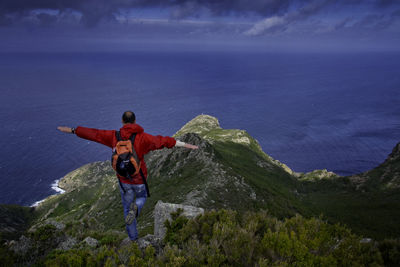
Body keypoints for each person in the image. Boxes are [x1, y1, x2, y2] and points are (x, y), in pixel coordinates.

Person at [57, 111, 198, 241]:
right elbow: (163, 141)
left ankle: (133, 238)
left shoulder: (114, 136)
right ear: (135, 121)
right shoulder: (143, 138)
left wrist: (74, 130)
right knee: (142, 197)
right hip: (139, 179)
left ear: (122, 121)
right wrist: (185, 144)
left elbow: (94, 134)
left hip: (123, 180)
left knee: (126, 208)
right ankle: (136, 207)